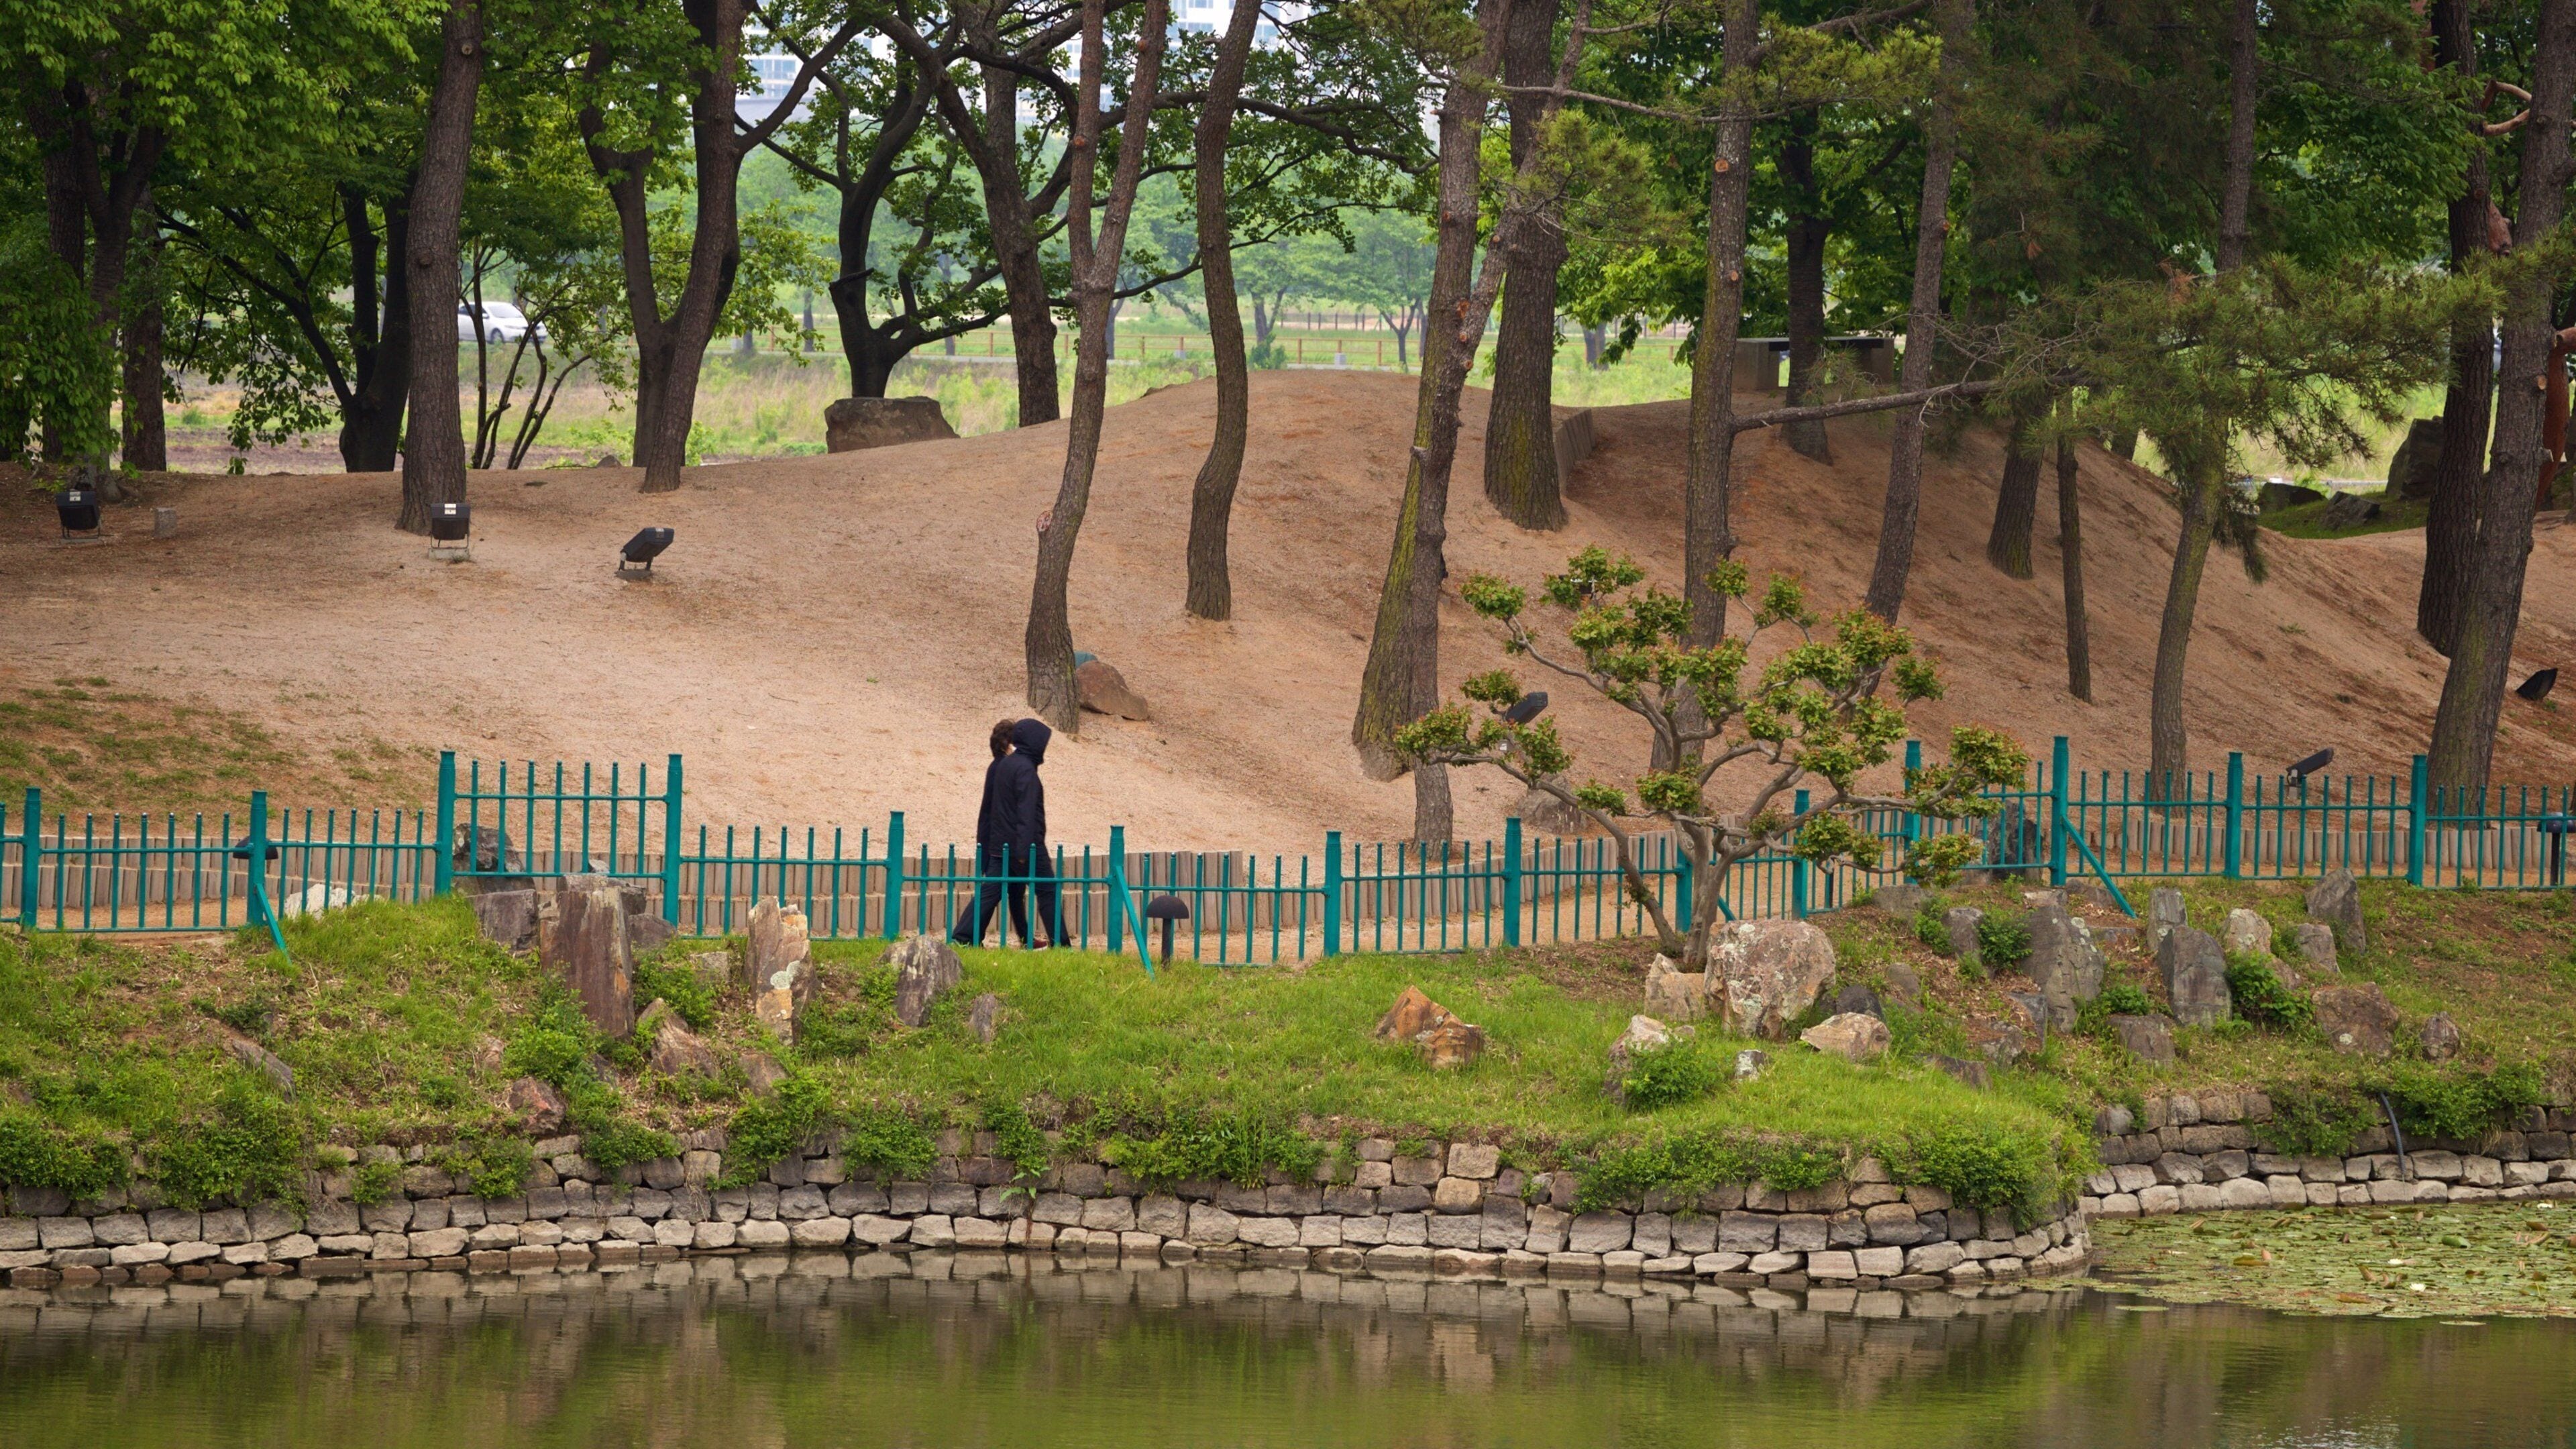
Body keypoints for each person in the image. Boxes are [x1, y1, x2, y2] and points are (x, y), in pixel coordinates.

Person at [955, 718, 1063, 947]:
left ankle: (963, 937)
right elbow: (1026, 814)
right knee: (1048, 892)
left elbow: (997, 809)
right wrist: (1024, 851)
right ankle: (1062, 945)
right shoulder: (1025, 770)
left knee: (991, 891)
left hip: (1001, 845)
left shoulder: (1004, 765)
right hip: (1025, 846)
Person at [952, 720, 1026, 946]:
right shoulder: (1004, 768)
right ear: (1007, 743)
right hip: (1001, 843)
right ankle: (964, 936)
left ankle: (1024, 938)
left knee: (1015, 889)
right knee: (992, 891)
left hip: (1000, 840)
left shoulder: (999, 766)